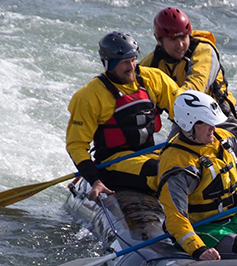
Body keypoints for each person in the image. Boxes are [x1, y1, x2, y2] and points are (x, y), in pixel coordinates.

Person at [157, 90, 237, 260]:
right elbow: (175, 216)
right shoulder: (177, 162)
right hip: (202, 227)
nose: (214, 127)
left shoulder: (224, 139)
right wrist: (198, 249)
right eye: (207, 123)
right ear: (189, 124)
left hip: (236, 219)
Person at [66, 31, 180, 201]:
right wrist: (94, 180)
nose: (132, 67)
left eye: (133, 59)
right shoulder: (90, 96)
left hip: (150, 153)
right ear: (109, 64)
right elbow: (76, 145)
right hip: (113, 163)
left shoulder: (153, 78)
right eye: (125, 62)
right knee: (166, 173)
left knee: (187, 167)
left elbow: (184, 110)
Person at [140, 7, 237, 139]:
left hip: (221, 116)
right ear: (159, 40)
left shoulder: (204, 51)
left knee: (232, 154)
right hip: (185, 121)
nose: (180, 44)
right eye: (172, 40)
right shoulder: (151, 64)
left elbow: (196, 87)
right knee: (169, 155)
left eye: (183, 37)